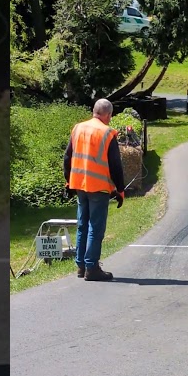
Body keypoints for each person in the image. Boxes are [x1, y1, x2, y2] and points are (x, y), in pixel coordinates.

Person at [64, 99, 127, 282]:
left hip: (79, 185)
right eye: (110, 116)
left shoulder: (78, 128)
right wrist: (120, 189)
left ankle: (81, 266)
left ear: (94, 111)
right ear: (108, 115)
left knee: (82, 225)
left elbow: (67, 157)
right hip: (98, 187)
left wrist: (68, 181)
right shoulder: (107, 133)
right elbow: (115, 165)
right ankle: (92, 267)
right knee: (95, 227)